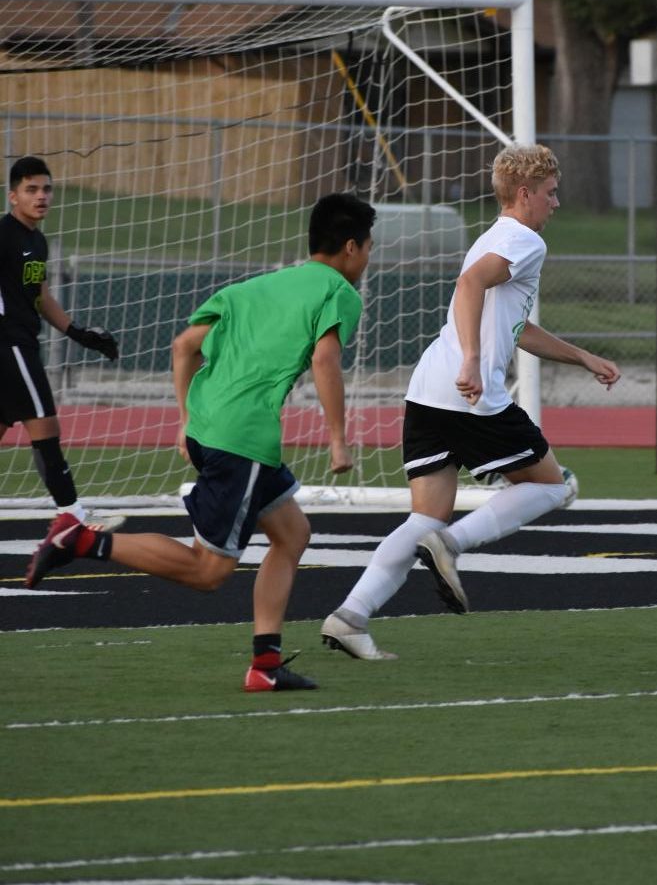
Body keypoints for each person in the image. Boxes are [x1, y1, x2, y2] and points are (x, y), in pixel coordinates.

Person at [26, 191, 377, 694]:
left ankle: (266, 665)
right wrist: (339, 440)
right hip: (244, 439)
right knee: (208, 570)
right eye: (368, 248)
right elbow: (325, 361)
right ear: (350, 247)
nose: (367, 259)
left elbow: (184, 346)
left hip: (213, 426)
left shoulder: (256, 287)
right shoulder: (339, 292)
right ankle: (82, 539)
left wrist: (187, 419)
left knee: (292, 534)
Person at [321, 142, 620, 662]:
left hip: (427, 392)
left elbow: (516, 326)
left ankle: (349, 616)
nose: (556, 202)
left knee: (424, 519)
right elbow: (470, 283)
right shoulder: (524, 239)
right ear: (525, 194)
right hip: (469, 394)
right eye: (551, 193)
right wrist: (472, 362)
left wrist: (581, 356)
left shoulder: (496, 235)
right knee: (557, 485)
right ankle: (452, 547)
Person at [1, 156, 121, 531]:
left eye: (46, 189)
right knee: (45, 424)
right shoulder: (3, 235)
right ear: (13, 196)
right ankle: (72, 514)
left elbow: (40, 295)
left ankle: (70, 513)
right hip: (10, 345)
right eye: (31, 189)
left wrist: (78, 332)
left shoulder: (36, 241)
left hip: (21, 343)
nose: (41, 196)